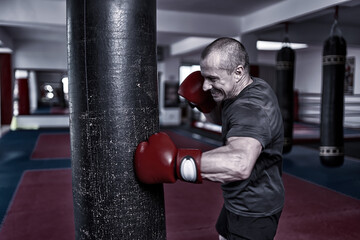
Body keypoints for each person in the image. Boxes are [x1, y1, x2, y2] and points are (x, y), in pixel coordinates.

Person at [134, 37, 284, 240]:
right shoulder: (245, 89)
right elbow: (229, 123)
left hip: (254, 209)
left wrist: (175, 164)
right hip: (237, 198)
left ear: (238, 72)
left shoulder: (251, 108)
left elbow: (239, 163)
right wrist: (206, 106)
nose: (205, 86)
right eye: (204, 77)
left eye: (213, 79)